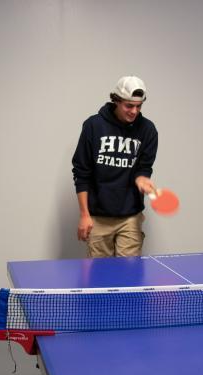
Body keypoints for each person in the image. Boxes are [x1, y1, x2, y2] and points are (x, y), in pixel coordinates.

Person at [72, 75, 158, 258]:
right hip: (98, 217)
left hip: (130, 218)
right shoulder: (93, 126)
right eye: (129, 105)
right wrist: (84, 215)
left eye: (139, 106)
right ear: (116, 101)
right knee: (99, 277)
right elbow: (81, 173)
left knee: (127, 278)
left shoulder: (148, 130)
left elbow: (144, 168)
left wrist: (142, 179)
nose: (134, 111)